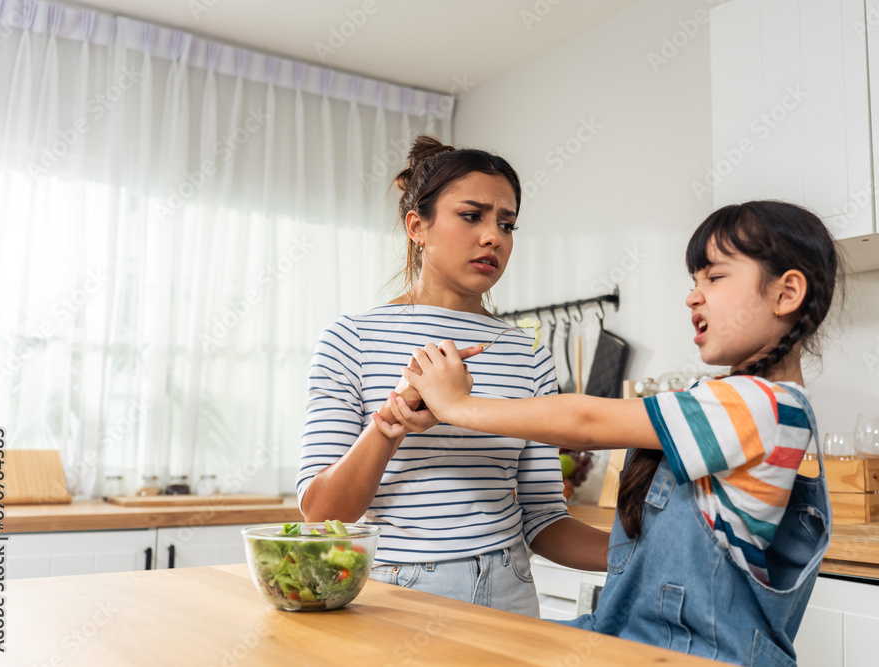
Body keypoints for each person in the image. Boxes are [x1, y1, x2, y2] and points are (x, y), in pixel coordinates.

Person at [385, 201, 843, 666]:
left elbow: (586, 423)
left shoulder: (764, 405)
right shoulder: (728, 401)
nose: (692, 296)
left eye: (715, 277)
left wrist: (458, 405)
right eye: (693, 282)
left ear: (787, 293)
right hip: (636, 642)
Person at [297, 136, 609, 617]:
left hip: (511, 587)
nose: (494, 237)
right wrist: (390, 422)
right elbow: (322, 514)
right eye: (472, 216)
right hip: (398, 594)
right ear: (417, 226)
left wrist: (644, 553)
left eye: (507, 224)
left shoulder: (528, 352)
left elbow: (545, 518)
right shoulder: (352, 339)